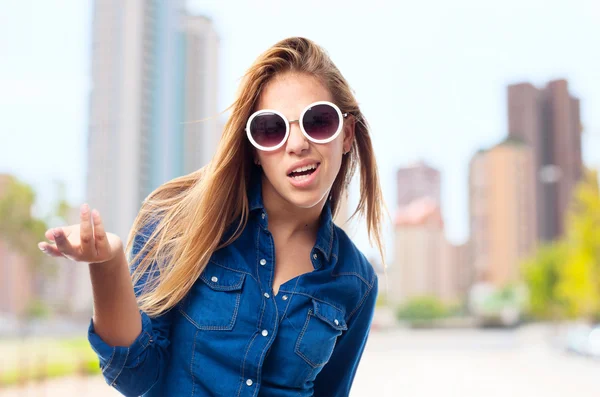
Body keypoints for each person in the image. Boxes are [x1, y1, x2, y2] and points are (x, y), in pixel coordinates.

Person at [38, 36, 385, 397]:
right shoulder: (175, 222)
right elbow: (134, 375)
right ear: (254, 149)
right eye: (272, 128)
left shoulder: (356, 281)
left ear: (346, 134)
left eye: (318, 121)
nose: (297, 144)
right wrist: (107, 263)